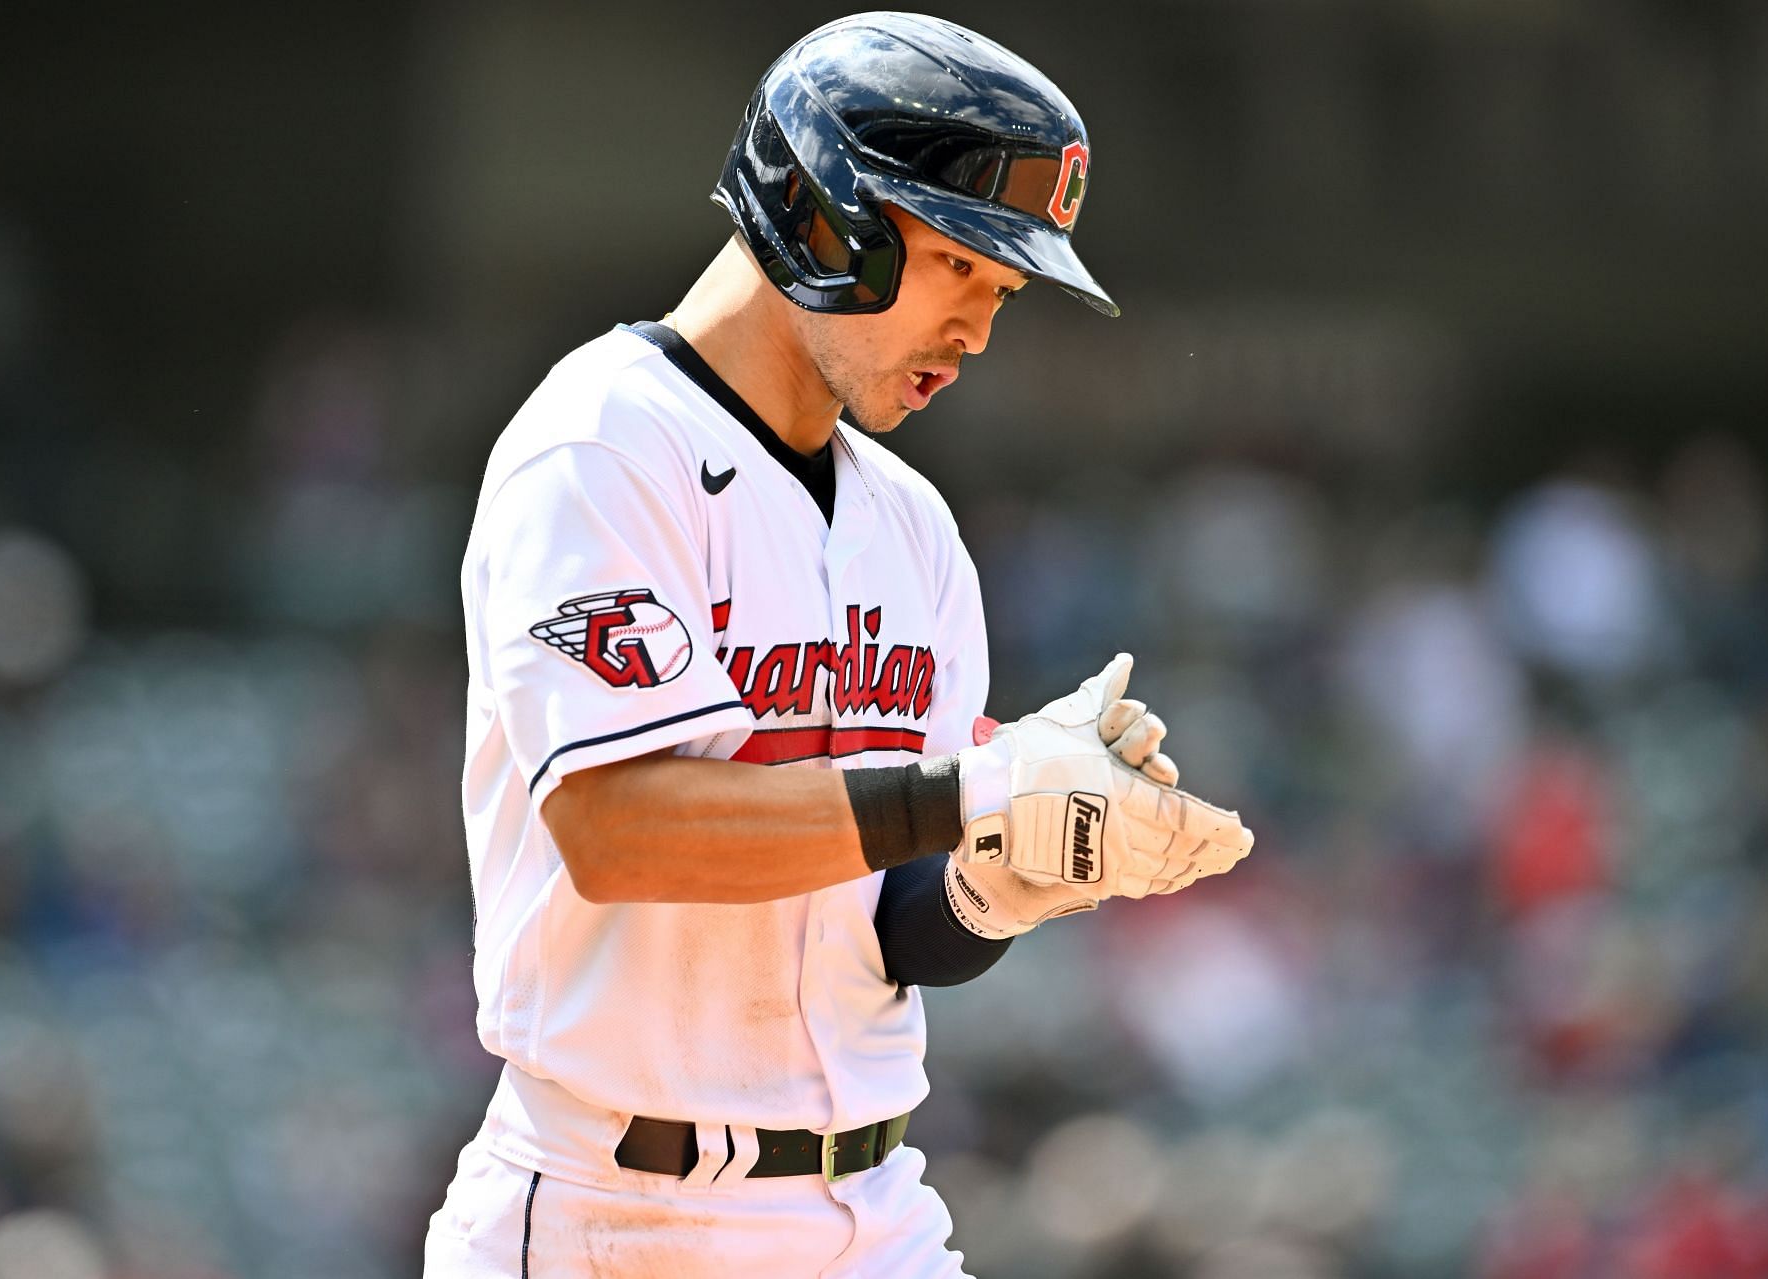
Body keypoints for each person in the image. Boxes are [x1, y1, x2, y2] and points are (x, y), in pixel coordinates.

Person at [427, 13, 1254, 1277]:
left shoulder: (912, 523)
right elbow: (617, 827)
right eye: (958, 267)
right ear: (826, 216)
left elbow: (886, 929)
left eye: (1004, 291)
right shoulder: (601, 444)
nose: (979, 330)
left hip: (873, 1211)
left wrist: (1005, 877)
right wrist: (978, 787)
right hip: (617, 1212)